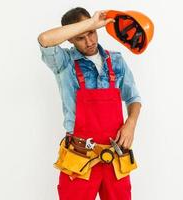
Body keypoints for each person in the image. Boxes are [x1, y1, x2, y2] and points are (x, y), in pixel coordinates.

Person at [38, 7, 142, 200]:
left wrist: (131, 124)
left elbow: (133, 98)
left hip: (116, 157)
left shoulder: (117, 61)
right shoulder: (64, 62)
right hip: (79, 157)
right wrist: (90, 23)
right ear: (70, 38)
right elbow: (44, 40)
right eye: (80, 37)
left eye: (92, 33)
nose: (90, 41)